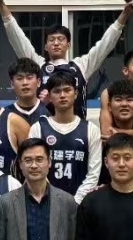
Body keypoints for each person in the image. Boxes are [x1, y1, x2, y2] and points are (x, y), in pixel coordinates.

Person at [0, 0, 133, 118]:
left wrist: (125, 14)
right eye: (51, 40)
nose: (56, 43)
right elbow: (18, 39)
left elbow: (105, 44)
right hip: (44, 130)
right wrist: (1, 5)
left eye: (61, 39)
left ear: (68, 45)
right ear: (45, 46)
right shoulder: (38, 66)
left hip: (77, 128)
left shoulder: (81, 66)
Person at [27, 72, 102, 202]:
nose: (62, 95)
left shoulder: (91, 129)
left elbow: (93, 174)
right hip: (46, 201)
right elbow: (34, 167)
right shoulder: (38, 128)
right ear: (49, 96)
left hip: (80, 203)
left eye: (67, 90)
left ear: (76, 94)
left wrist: (75, 201)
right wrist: (54, 200)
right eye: (57, 91)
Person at [100, 79, 133, 184]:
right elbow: (106, 135)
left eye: (129, 100)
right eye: (118, 100)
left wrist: (119, 136)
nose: (124, 104)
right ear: (109, 106)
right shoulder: (106, 125)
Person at [7, 57, 46, 125]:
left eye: (29, 78)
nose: (25, 83)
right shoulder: (5, 115)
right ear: (12, 84)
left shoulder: (50, 112)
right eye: (20, 78)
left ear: (38, 82)